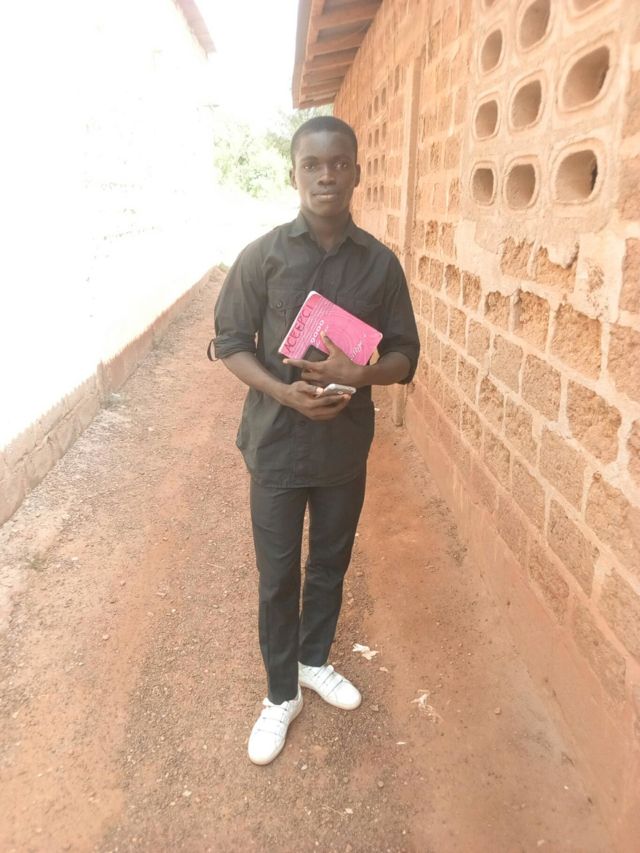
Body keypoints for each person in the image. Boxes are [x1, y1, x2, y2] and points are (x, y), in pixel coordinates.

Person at [211, 116, 420, 765]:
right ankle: (281, 694)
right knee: (278, 575)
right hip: (275, 445)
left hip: (342, 449)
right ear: (294, 174)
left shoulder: (380, 265)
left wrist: (361, 374)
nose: (326, 175)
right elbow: (230, 343)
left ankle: (313, 660)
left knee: (330, 562)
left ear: (357, 172)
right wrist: (283, 392)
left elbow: (406, 355)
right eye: (312, 165)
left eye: (338, 163)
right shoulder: (263, 256)